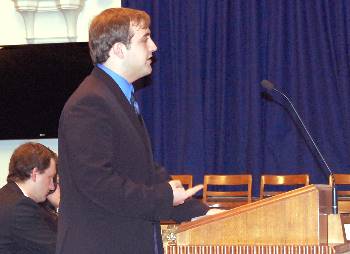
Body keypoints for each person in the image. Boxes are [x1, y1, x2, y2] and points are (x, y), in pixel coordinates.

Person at [56, 7, 216, 254]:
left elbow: (144, 174)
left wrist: (203, 212)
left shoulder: (115, 96)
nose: (153, 47)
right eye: (145, 39)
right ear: (119, 50)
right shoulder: (90, 102)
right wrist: (164, 196)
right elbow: (98, 183)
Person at [0, 142, 59, 254]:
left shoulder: (8, 196)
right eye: (50, 178)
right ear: (34, 174)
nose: (52, 186)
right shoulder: (20, 208)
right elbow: (58, 249)